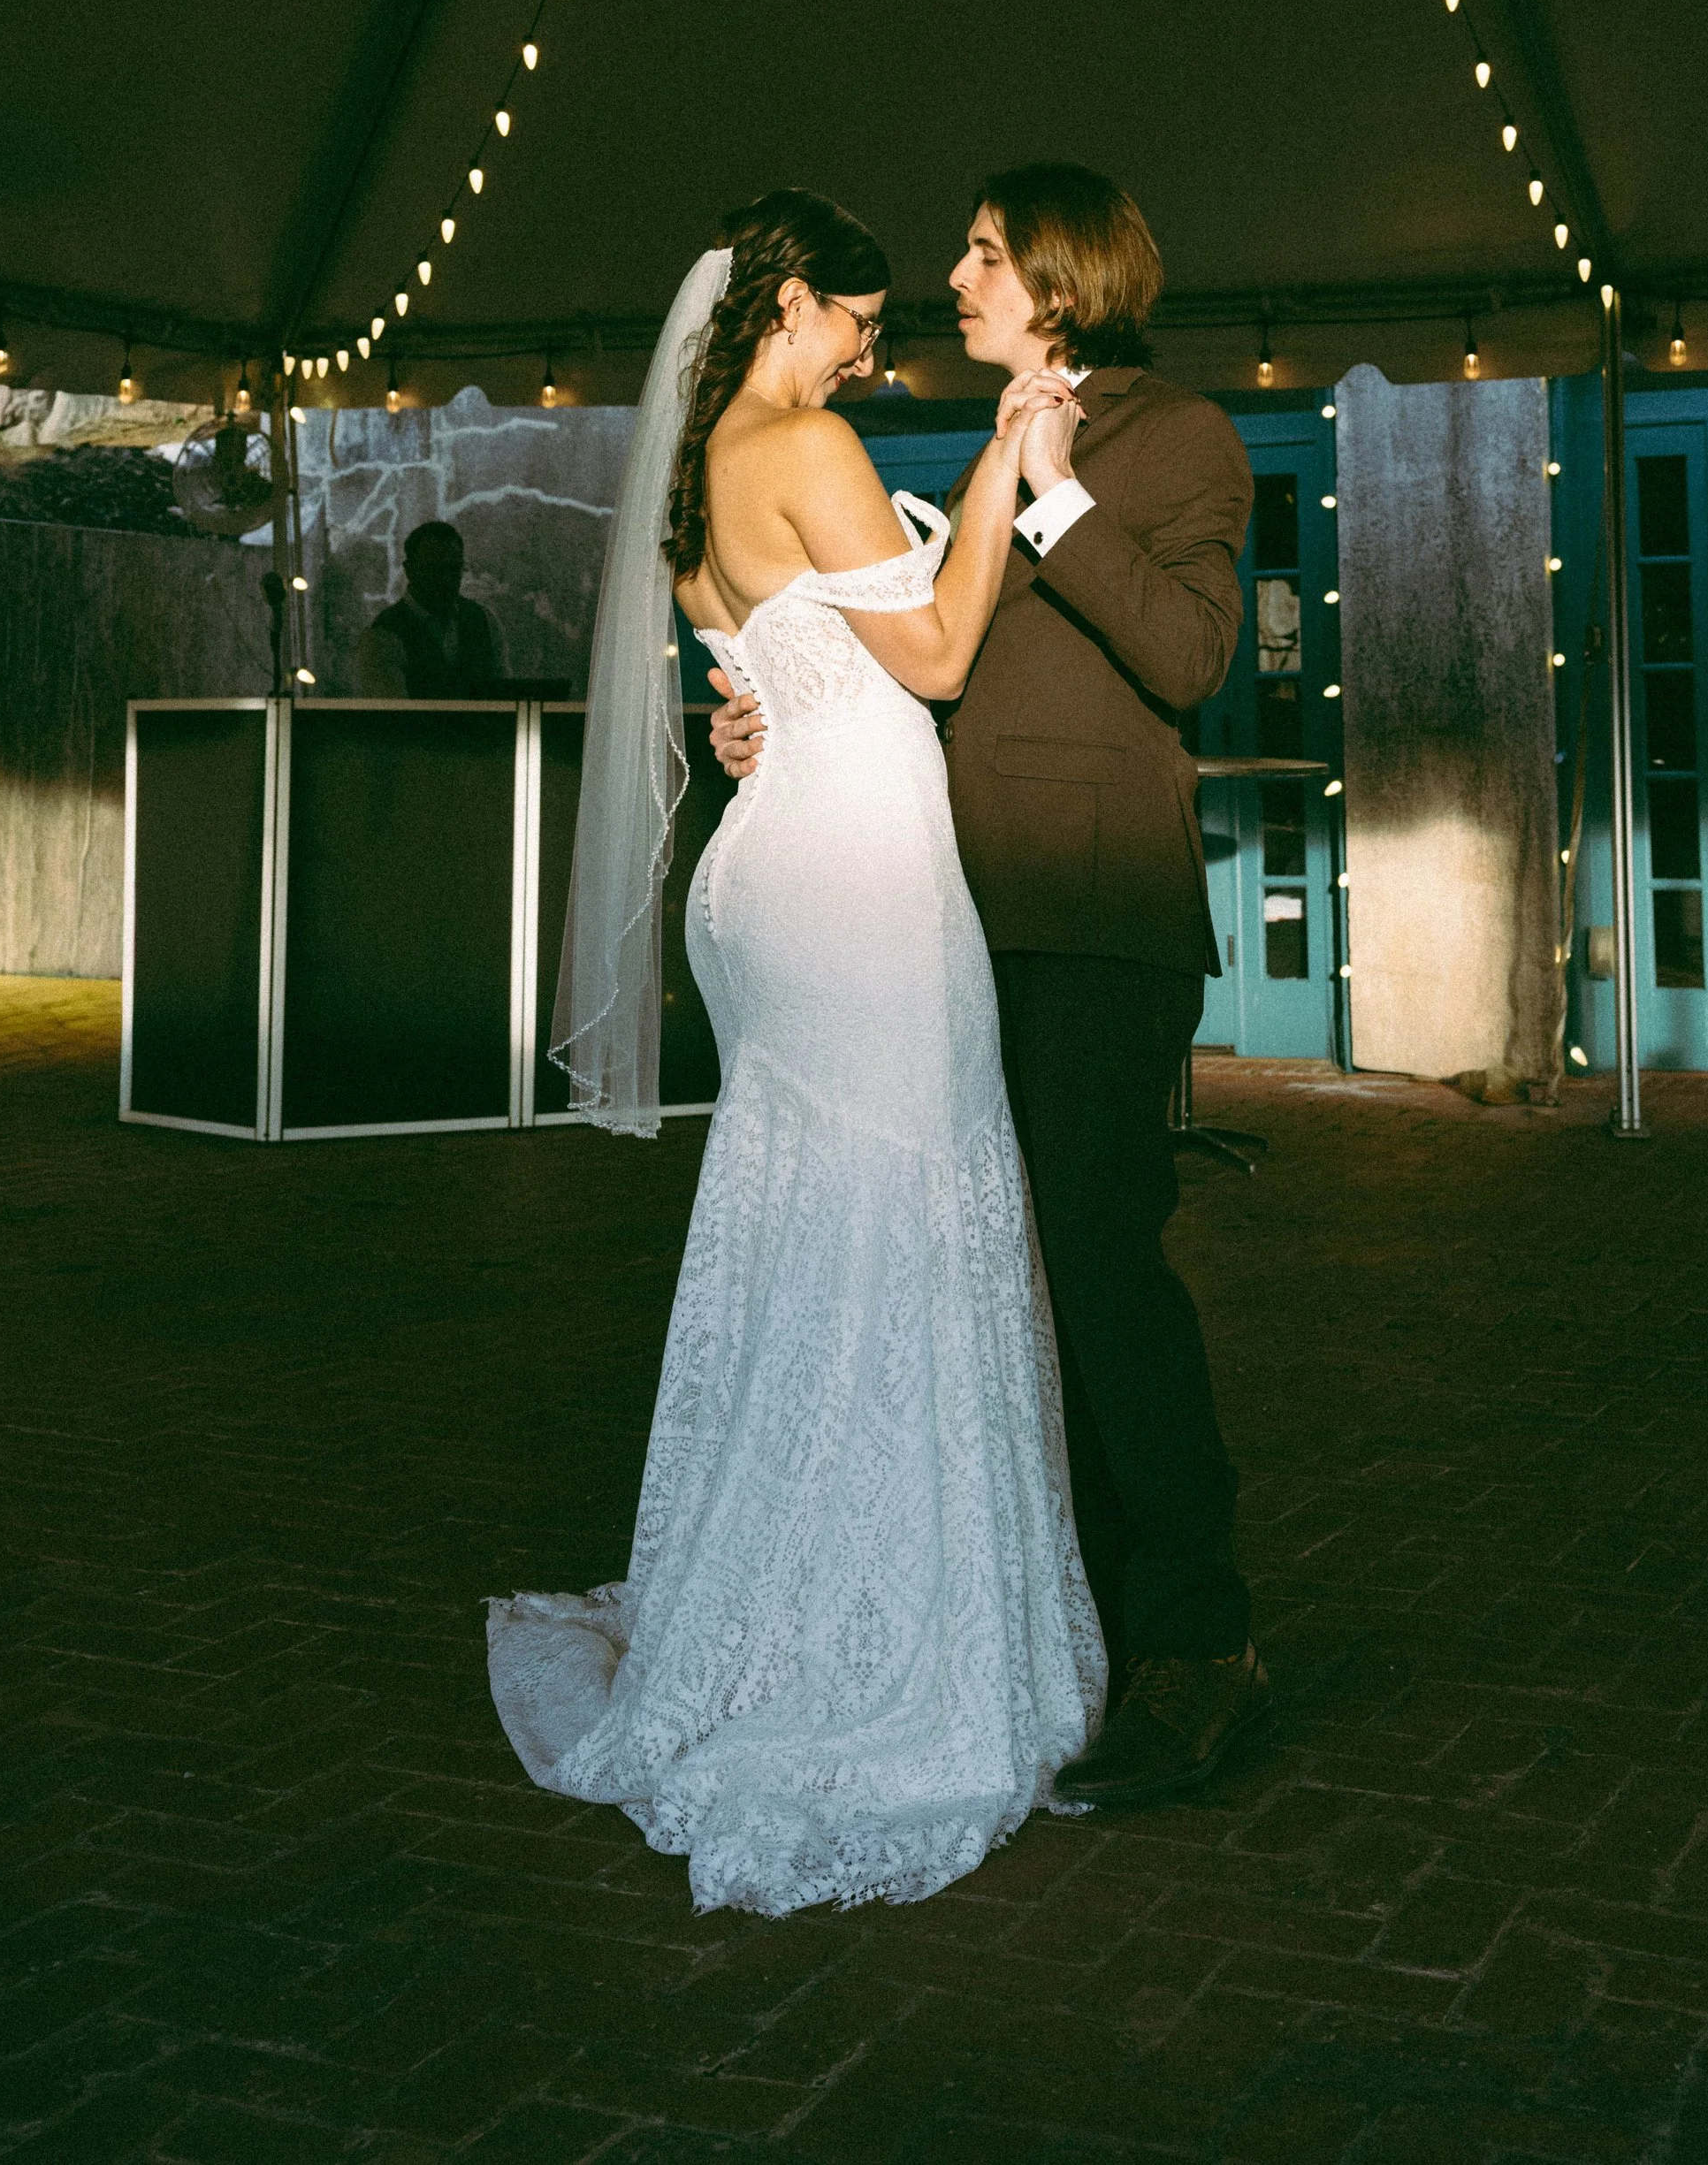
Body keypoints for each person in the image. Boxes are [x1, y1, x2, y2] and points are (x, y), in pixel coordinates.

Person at [485, 191, 1102, 1916]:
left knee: (809, 1248)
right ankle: (860, 1650)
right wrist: (997, 466)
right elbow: (943, 652)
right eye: (854, 314)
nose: (868, 342)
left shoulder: (695, 464)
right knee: (891, 1236)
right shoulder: (808, 441)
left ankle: (763, 1601)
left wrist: (756, 699)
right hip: (856, 887)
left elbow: (770, 662)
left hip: (769, 881)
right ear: (784, 306)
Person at [710, 164, 1267, 1808]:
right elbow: (904, 669)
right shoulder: (963, 439)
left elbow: (1188, 658)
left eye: (982, 253)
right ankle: (1061, 1640)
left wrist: (1052, 495)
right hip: (945, 923)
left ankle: (1201, 1646)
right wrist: (764, 727)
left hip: (1095, 926)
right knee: (1009, 1296)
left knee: (1100, 1266)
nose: (957, 277)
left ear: (1063, 278)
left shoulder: (1178, 437)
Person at [361, 519, 504, 698]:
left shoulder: (386, 631)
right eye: (434, 569)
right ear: (410, 569)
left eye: (453, 569)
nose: (445, 579)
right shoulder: (383, 634)